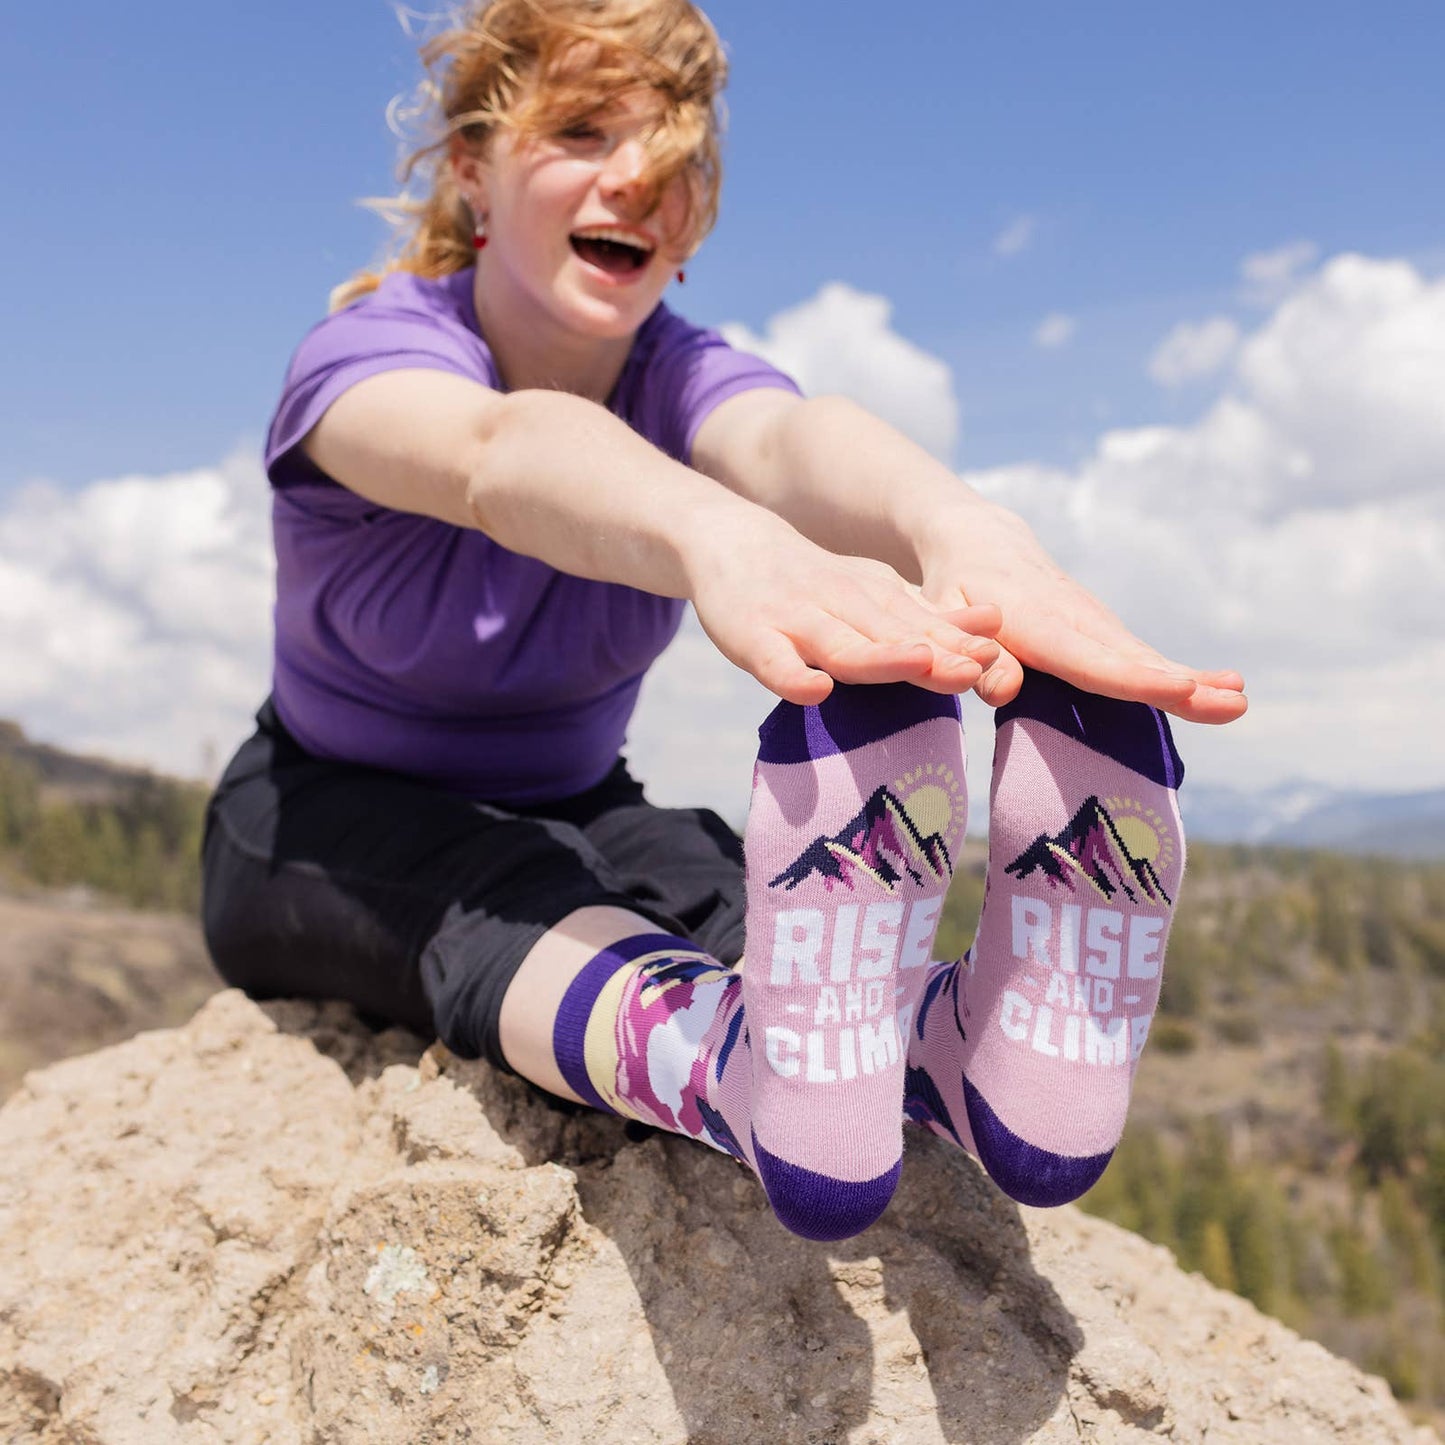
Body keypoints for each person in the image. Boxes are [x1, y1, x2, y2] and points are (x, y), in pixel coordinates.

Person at [202, 0, 1246, 1241]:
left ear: (693, 221)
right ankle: (732, 1065)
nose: (639, 175)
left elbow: (792, 438)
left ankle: (964, 1049)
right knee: (505, 890)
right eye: (583, 129)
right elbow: (498, 452)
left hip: (590, 798)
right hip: (311, 812)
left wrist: (964, 533)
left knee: (757, 899)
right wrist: (719, 538)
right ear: (473, 169)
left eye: (678, 155)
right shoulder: (368, 357)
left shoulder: (683, 375)